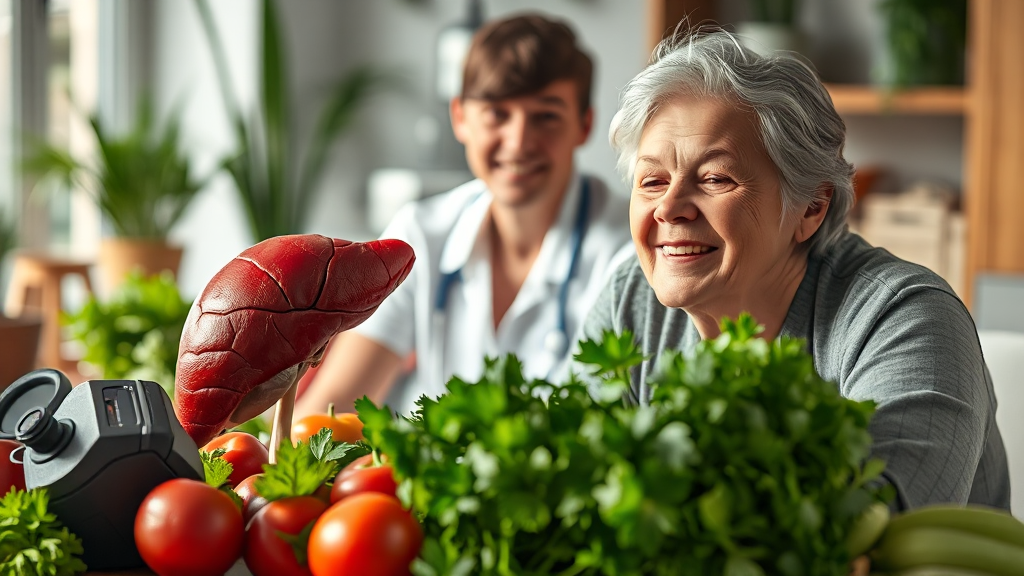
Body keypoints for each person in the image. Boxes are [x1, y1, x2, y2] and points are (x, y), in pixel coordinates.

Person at [579, 25, 1010, 512]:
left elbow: (871, 529)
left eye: (716, 178)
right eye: (652, 181)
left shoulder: (906, 319)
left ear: (810, 208)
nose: (670, 207)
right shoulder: (628, 302)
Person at [295, 14, 631, 417]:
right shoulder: (417, 236)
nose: (519, 141)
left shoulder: (628, 249)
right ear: (460, 118)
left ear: (584, 124)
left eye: (546, 116)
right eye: (497, 114)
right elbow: (329, 410)